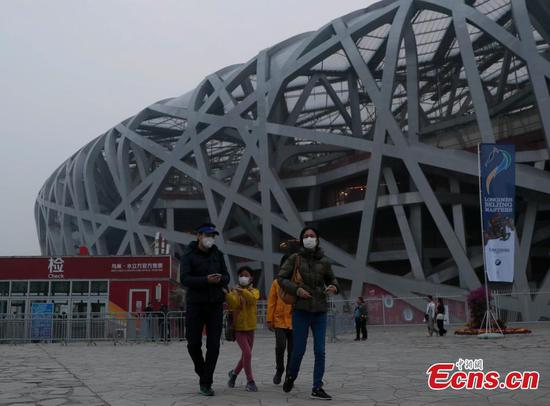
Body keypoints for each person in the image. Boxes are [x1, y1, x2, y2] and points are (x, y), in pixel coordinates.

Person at [279, 226, 340, 400]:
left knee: (320, 351)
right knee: (298, 350)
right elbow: (281, 278)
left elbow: (333, 279)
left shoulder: (325, 261)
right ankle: (291, 375)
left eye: (312, 236)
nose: (309, 238)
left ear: (318, 239)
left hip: (320, 311)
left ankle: (317, 387)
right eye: (305, 236)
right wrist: (297, 290)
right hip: (301, 311)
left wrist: (334, 287)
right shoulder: (294, 258)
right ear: (301, 240)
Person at [181, 223, 230, 396]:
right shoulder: (188, 255)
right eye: (208, 235)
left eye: (213, 236)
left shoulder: (218, 254)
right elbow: (185, 279)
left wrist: (220, 279)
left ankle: (206, 382)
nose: (211, 239)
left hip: (215, 304)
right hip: (195, 304)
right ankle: (201, 371)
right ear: (199, 236)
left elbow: (227, 276)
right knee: (193, 343)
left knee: (214, 345)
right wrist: (205, 280)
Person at [226, 266, 260, 392]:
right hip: (239, 328)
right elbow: (233, 304)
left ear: (251, 278)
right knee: (247, 353)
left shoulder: (254, 291)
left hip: (250, 327)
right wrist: (228, 294)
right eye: (241, 275)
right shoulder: (235, 292)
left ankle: (233, 374)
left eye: (246, 275)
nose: (243, 278)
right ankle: (250, 381)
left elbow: (252, 300)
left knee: (245, 356)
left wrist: (242, 291)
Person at [267, 254, 294, 385]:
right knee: (280, 346)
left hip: (295, 321)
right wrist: (269, 319)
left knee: (293, 350)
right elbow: (272, 301)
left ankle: (290, 374)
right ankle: (280, 369)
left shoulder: (297, 283)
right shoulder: (276, 283)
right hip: (279, 321)